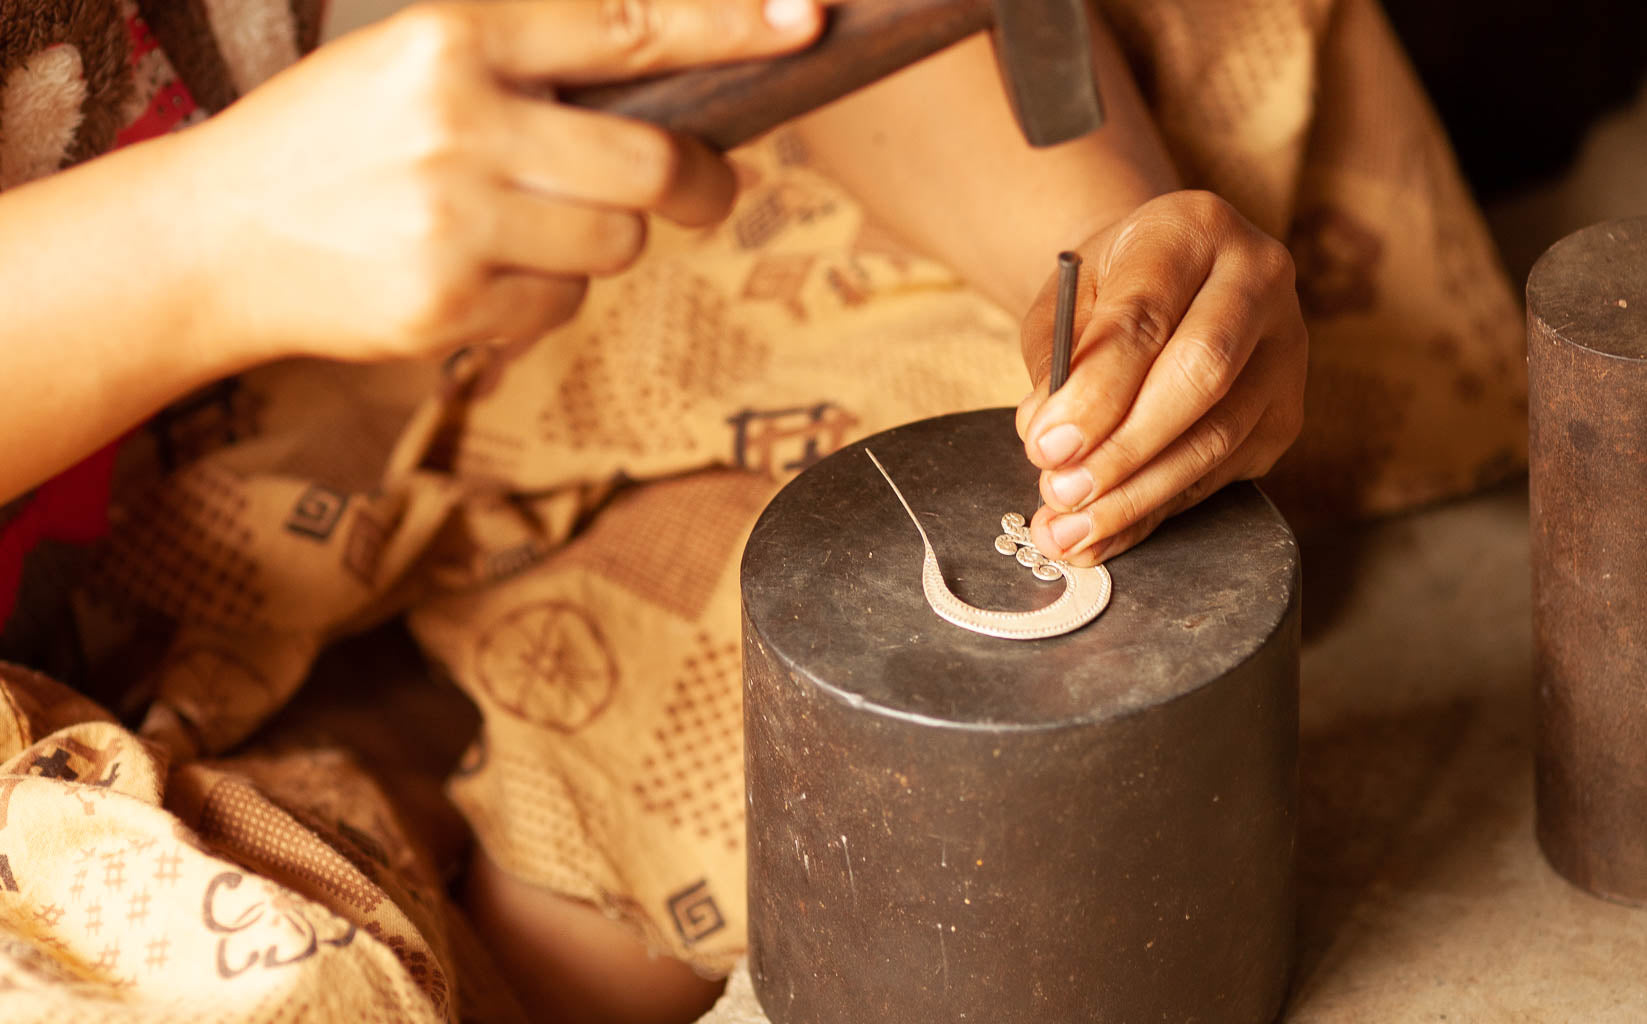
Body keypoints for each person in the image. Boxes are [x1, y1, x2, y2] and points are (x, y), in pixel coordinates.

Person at [0, 1, 1521, 1022]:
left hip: (351, 317)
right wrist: (203, 242)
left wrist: (1100, 274)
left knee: (1183, 85)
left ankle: (440, 807)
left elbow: (811, 21)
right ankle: (391, 812)